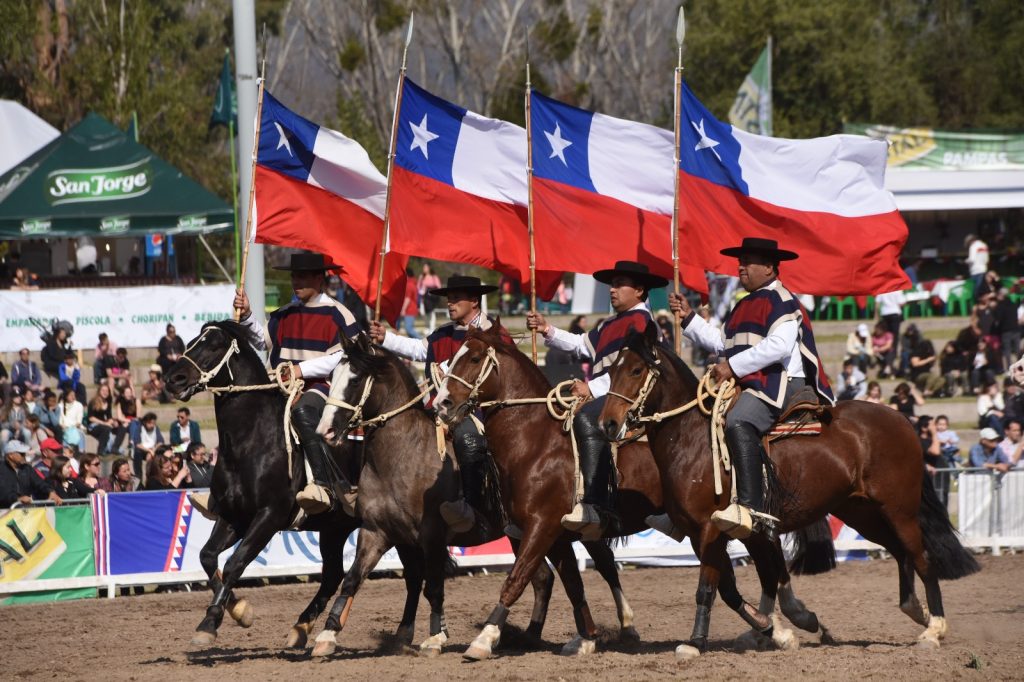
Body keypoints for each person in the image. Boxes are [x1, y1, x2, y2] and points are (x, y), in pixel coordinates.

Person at [669, 240, 834, 540]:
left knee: (738, 421)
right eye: (740, 261)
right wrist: (690, 318)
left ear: (769, 268)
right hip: (754, 380)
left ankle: (751, 507)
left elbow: (778, 346)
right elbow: (723, 343)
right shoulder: (744, 303)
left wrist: (732, 367)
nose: (740, 266)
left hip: (782, 382)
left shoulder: (783, 300)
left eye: (748, 261)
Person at [525, 261, 669, 539]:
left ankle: (596, 503)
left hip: (627, 398)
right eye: (611, 285)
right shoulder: (612, 323)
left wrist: (592, 388)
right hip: (607, 392)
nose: (612, 290)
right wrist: (547, 329)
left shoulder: (641, 323)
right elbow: (581, 345)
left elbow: (631, 373)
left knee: (586, 419)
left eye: (619, 285)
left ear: (639, 290)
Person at [370, 274, 504, 533]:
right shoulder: (442, 332)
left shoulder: (492, 332)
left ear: (474, 301)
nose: (450, 304)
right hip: (436, 409)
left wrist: (448, 368)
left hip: (475, 412)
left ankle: (473, 508)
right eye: (448, 299)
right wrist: (386, 337)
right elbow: (420, 350)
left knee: (467, 440)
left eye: (455, 299)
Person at [234, 250, 361, 515]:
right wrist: (246, 316)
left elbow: (346, 356)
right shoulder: (283, 313)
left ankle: (323, 484)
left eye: (302, 277)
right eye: (294, 277)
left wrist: (300, 371)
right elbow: (261, 341)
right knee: (240, 411)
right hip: (280, 387)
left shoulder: (339, 314)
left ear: (320, 279)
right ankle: (228, 488)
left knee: (303, 410)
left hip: (323, 388)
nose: (296, 282)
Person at [1, 440, 61, 507]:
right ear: (10, 455)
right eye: (22, 454)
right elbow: (3, 492)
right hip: (4, 512)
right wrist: (17, 499)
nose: (24, 456)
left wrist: (50, 491)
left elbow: (39, 483)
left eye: (24, 454)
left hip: (25, 511)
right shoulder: (2, 469)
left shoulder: (27, 468)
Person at [86, 384, 126, 456]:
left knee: (122, 428)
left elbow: (109, 416)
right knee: (106, 428)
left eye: (107, 391)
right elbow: (91, 418)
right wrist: (104, 423)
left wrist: (112, 421)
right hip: (93, 425)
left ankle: (115, 447)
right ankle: (101, 450)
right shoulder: (93, 402)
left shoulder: (108, 402)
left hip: (104, 424)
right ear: (99, 391)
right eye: (103, 390)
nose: (105, 392)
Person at [905, 325, 945, 397]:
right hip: (917, 375)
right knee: (932, 376)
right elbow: (915, 364)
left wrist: (933, 360)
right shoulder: (915, 352)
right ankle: (926, 390)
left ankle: (931, 392)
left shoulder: (927, 353)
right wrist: (928, 360)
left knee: (941, 379)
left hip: (927, 374)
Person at [875, 290, 906, 372]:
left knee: (886, 336)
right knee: (894, 337)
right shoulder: (897, 289)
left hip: (885, 314)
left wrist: (877, 316)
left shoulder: (883, 288)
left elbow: (877, 303)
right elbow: (902, 302)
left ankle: (887, 352)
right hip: (895, 314)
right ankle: (893, 354)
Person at [993, 288, 1022, 371]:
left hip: (1006, 331)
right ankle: (1020, 367)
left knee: (1007, 351)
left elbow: (998, 319)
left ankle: (1009, 368)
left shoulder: (1000, 306)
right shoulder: (1013, 304)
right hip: (1016, 329)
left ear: (1001, 295)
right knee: (1017, 350)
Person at [129, 411, 163, 476]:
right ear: (145, 422)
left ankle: (153, 475)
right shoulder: (139, 428)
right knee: (137, 452)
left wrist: (153, 451)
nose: (152, 425)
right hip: (142, 449)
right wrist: (149, 451)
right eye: (150, 423)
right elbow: (137, 444)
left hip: (153, 449)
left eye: (153, 423)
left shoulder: (156, 428)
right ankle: (139, 476)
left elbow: (160, 442)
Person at [400, 266, 421, 339]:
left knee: (409, 329)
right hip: (412, 309)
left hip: (410, 310)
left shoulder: (409, 284)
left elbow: (408, 298)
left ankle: (421, 341)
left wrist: (403, 309)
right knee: (409, 329)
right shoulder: (413, 283)